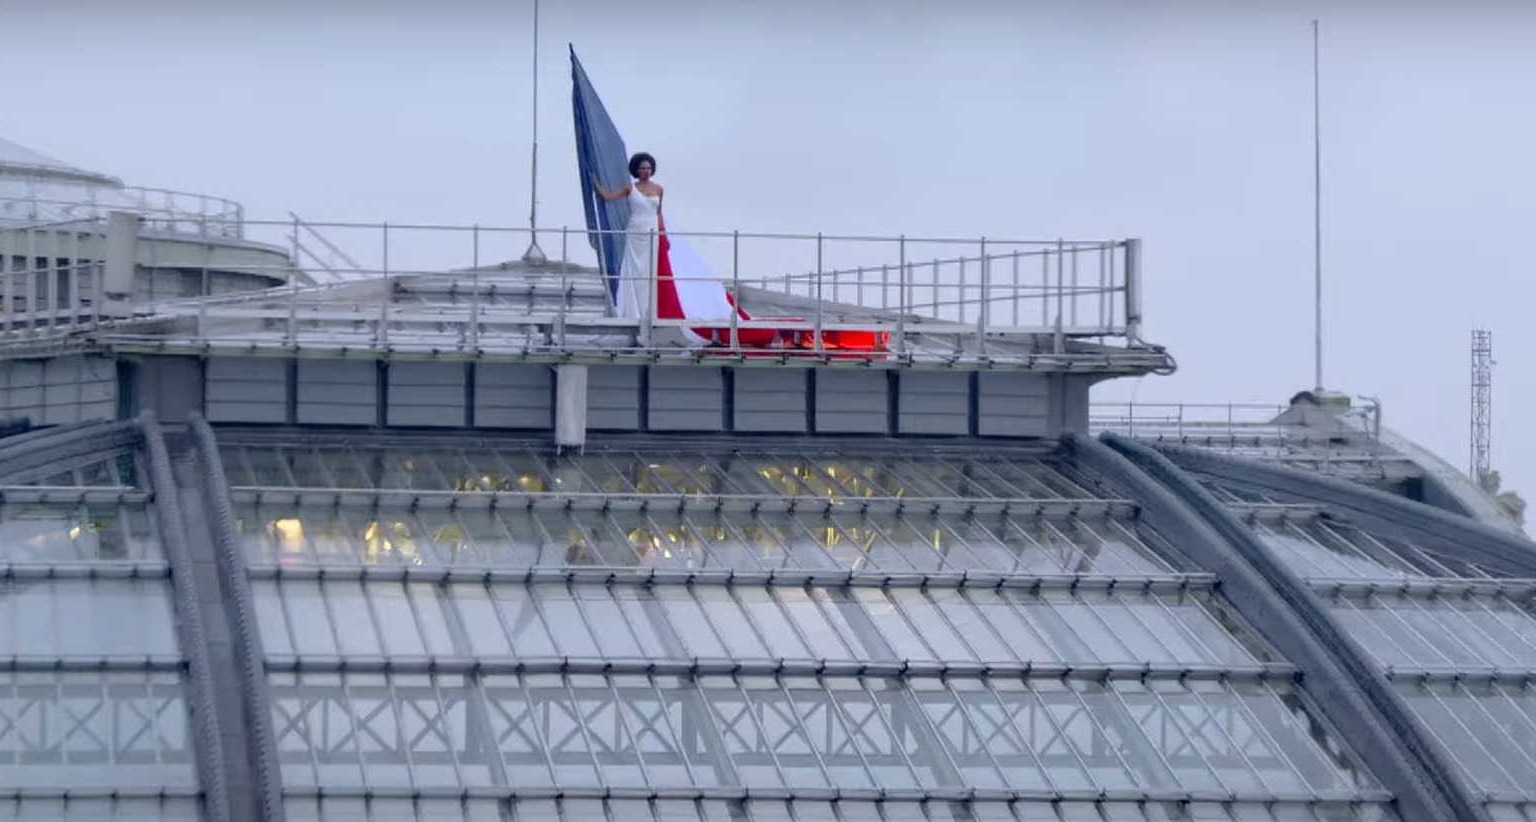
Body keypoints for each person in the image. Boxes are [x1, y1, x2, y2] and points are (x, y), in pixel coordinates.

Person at [591, 152, 663, 319]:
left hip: (652, 231)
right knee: (633, 269)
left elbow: (659, 213)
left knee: (649, 271)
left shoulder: (659, 189)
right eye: (643, 168)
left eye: (649, 168)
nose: (646, 171)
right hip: (635, 230)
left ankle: (649, 310)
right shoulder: (630, 187)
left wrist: (663, 234)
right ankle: (631, 309)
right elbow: (608, 197)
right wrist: (596, 185)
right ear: (636, 170)